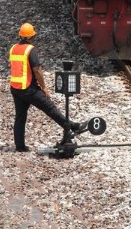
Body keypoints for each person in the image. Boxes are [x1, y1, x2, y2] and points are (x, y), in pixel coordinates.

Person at [8, 24, 89, 152]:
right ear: (31, 36)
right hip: (29, 88)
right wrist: (44, 87)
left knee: (20, 117)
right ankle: (73, 127)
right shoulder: (30, 50)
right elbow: (37, 70)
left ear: (20, 35)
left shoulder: (13, 48)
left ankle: (20, 146)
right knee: (50, 108)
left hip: (15, 88)